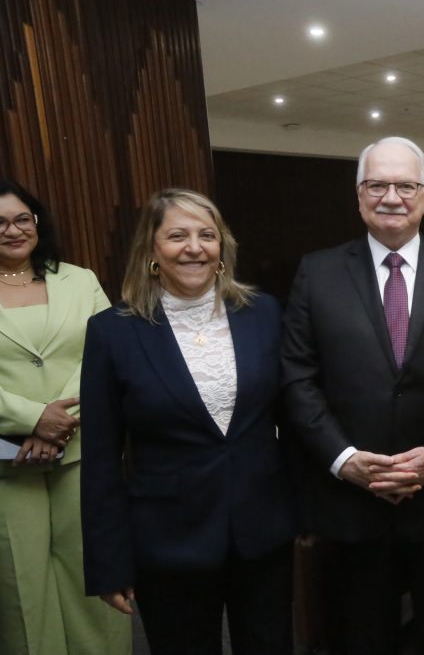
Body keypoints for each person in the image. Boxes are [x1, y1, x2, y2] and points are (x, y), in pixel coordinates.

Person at [281, 136, 424, 655]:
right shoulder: (317, 272)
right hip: (351, 503)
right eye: (376, 185)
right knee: (359, 637)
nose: (391, 197)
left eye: (405, 186)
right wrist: (344, 459)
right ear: (358, 195)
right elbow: (297, 377)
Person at [80, 189, 295, 655]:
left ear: (222, 248)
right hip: (168, 540)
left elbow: (293, 419)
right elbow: (100, 458)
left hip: (262, 532)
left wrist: (307, 508)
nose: (194, 248)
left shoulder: (264, 313)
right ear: (152, 249)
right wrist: (108, 562)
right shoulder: (112, 331)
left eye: (206, 236)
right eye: (177, 236)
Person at [0, 180, 131, 655]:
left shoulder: (80, 280)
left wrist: (60, 422)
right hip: (8, 463)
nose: (12, 230)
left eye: (22, 219)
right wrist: (34, 417)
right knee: (23, 590)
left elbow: (109, 352)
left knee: (92, 582)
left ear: (37, 222)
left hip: (82, 453)